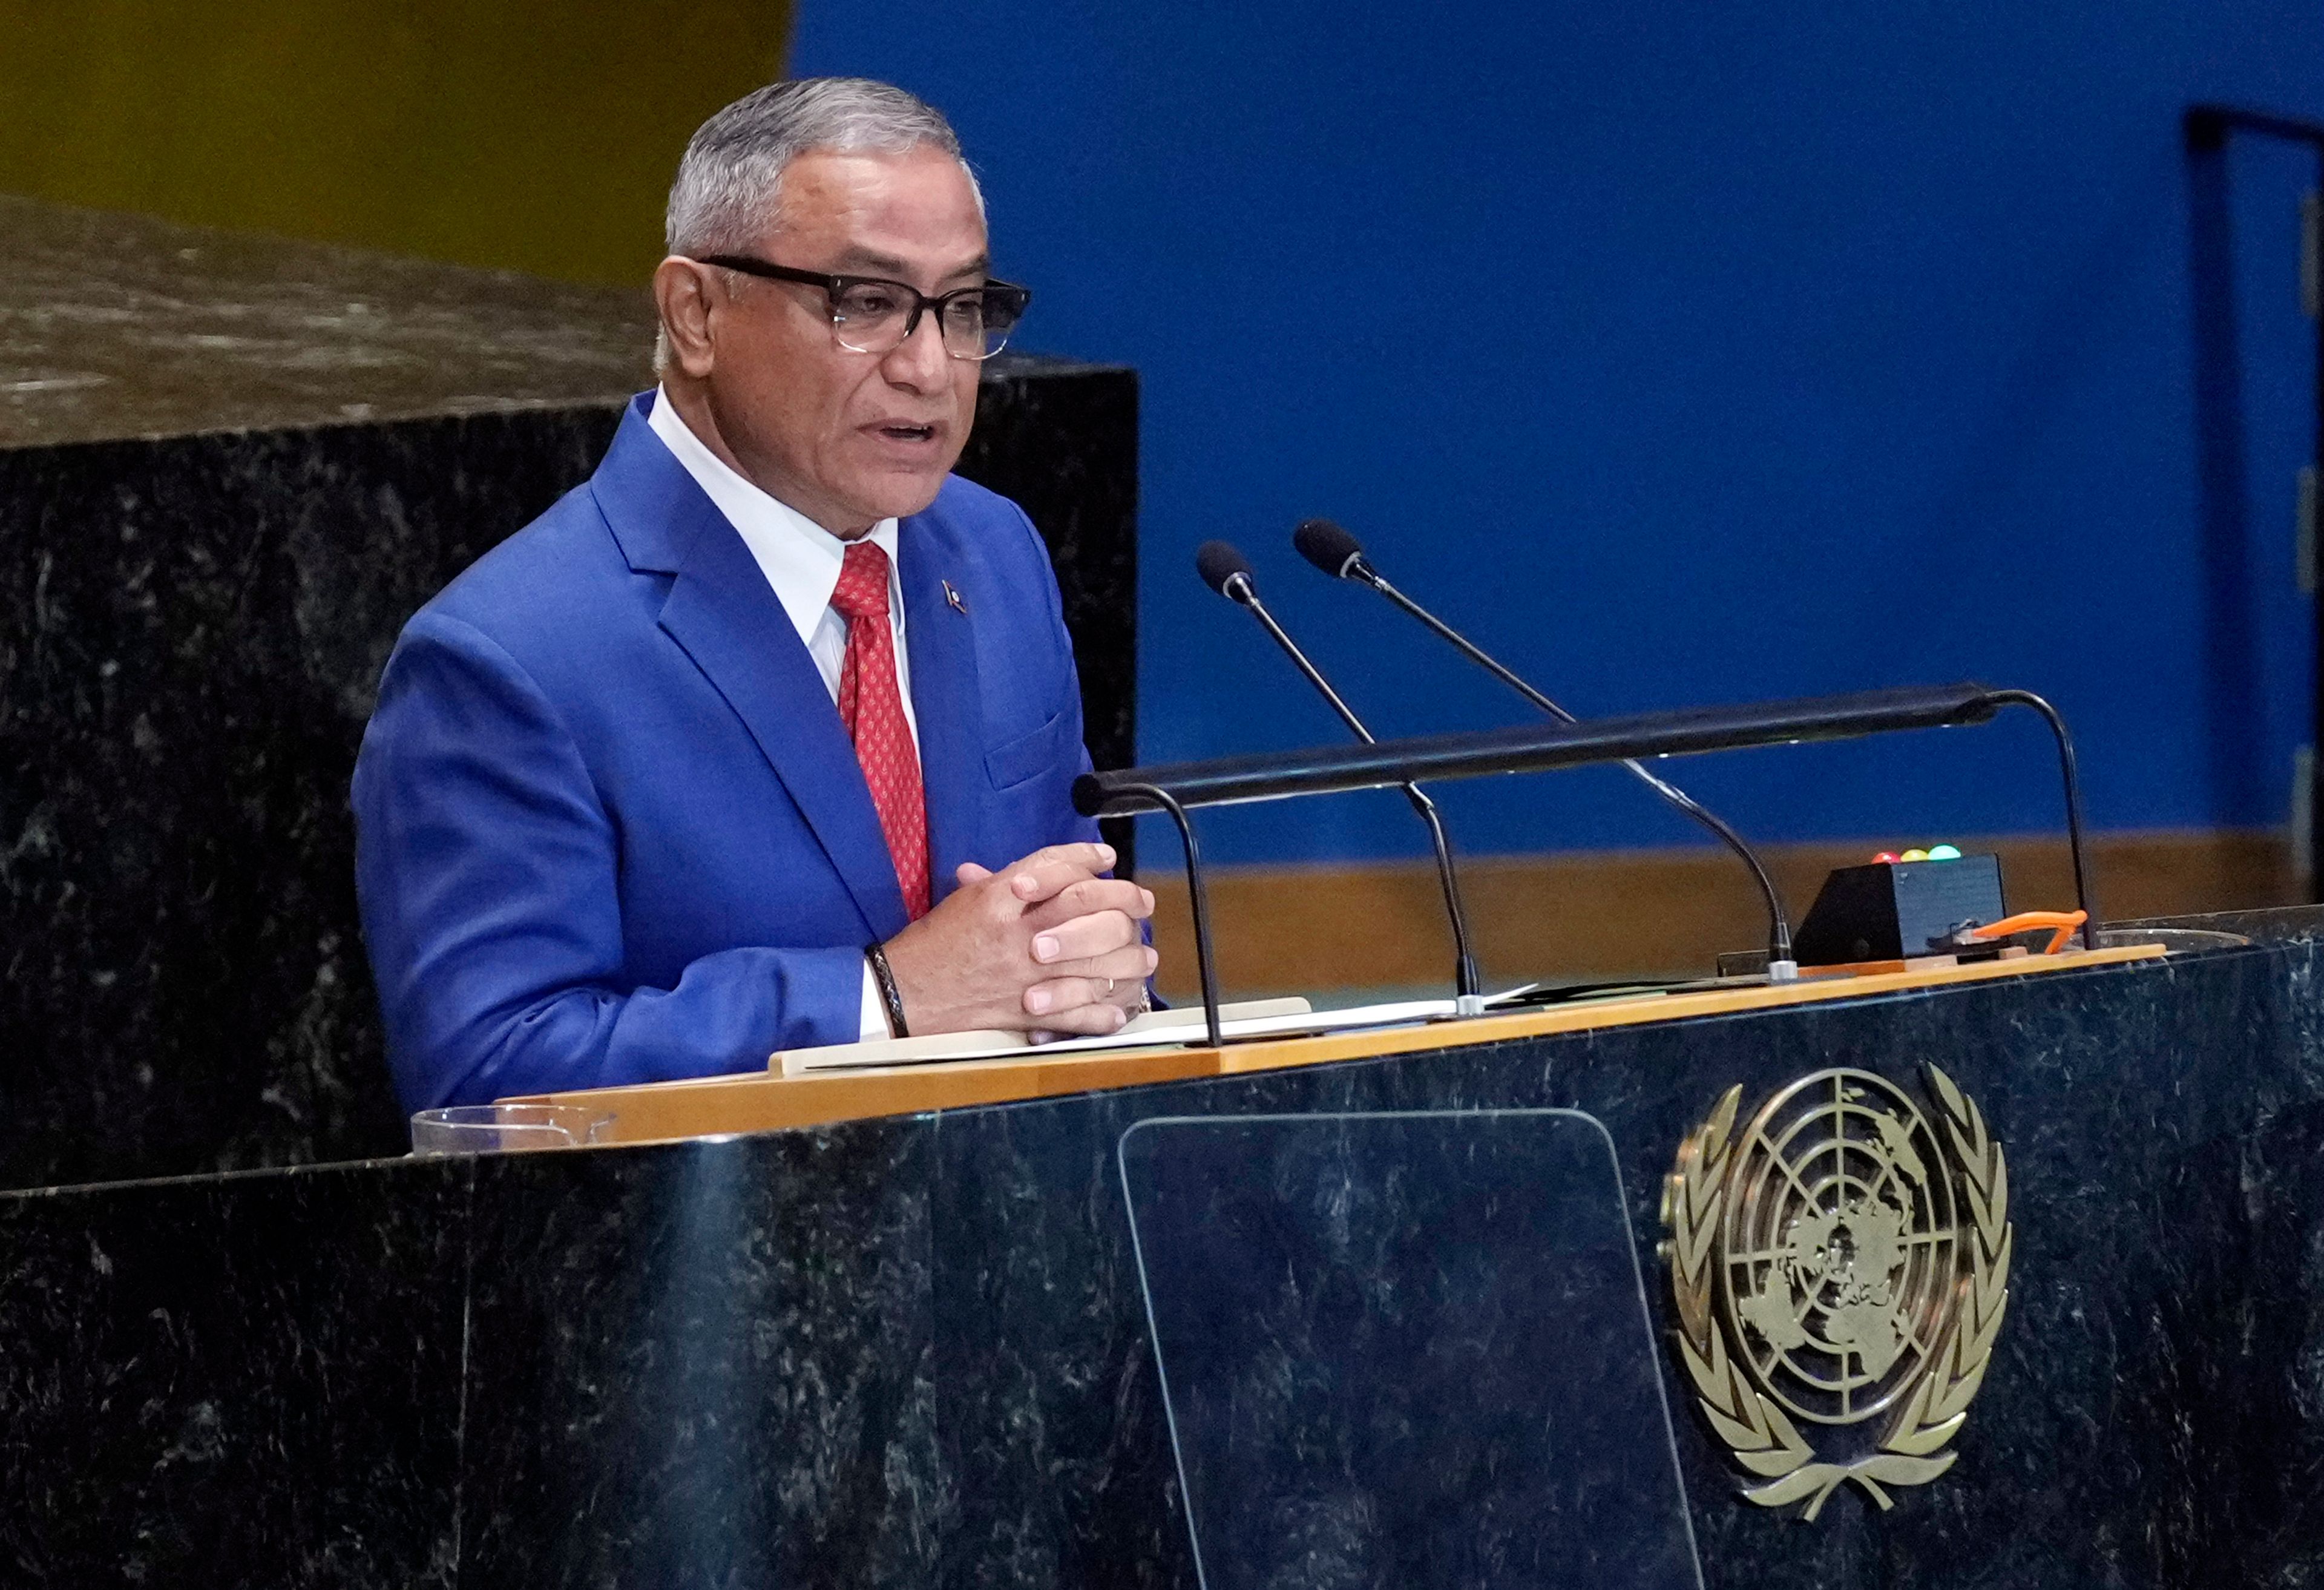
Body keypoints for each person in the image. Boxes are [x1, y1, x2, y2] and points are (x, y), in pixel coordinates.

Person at [353, 77, 1155, 1111]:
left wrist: (1092, 956)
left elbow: (1058, 914)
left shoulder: (991, 551)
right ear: (696, 313)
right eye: (866, 303)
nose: (929, 368)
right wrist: (883, 1001)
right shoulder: (508, 658)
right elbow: (487, 1080)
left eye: (962, 308)